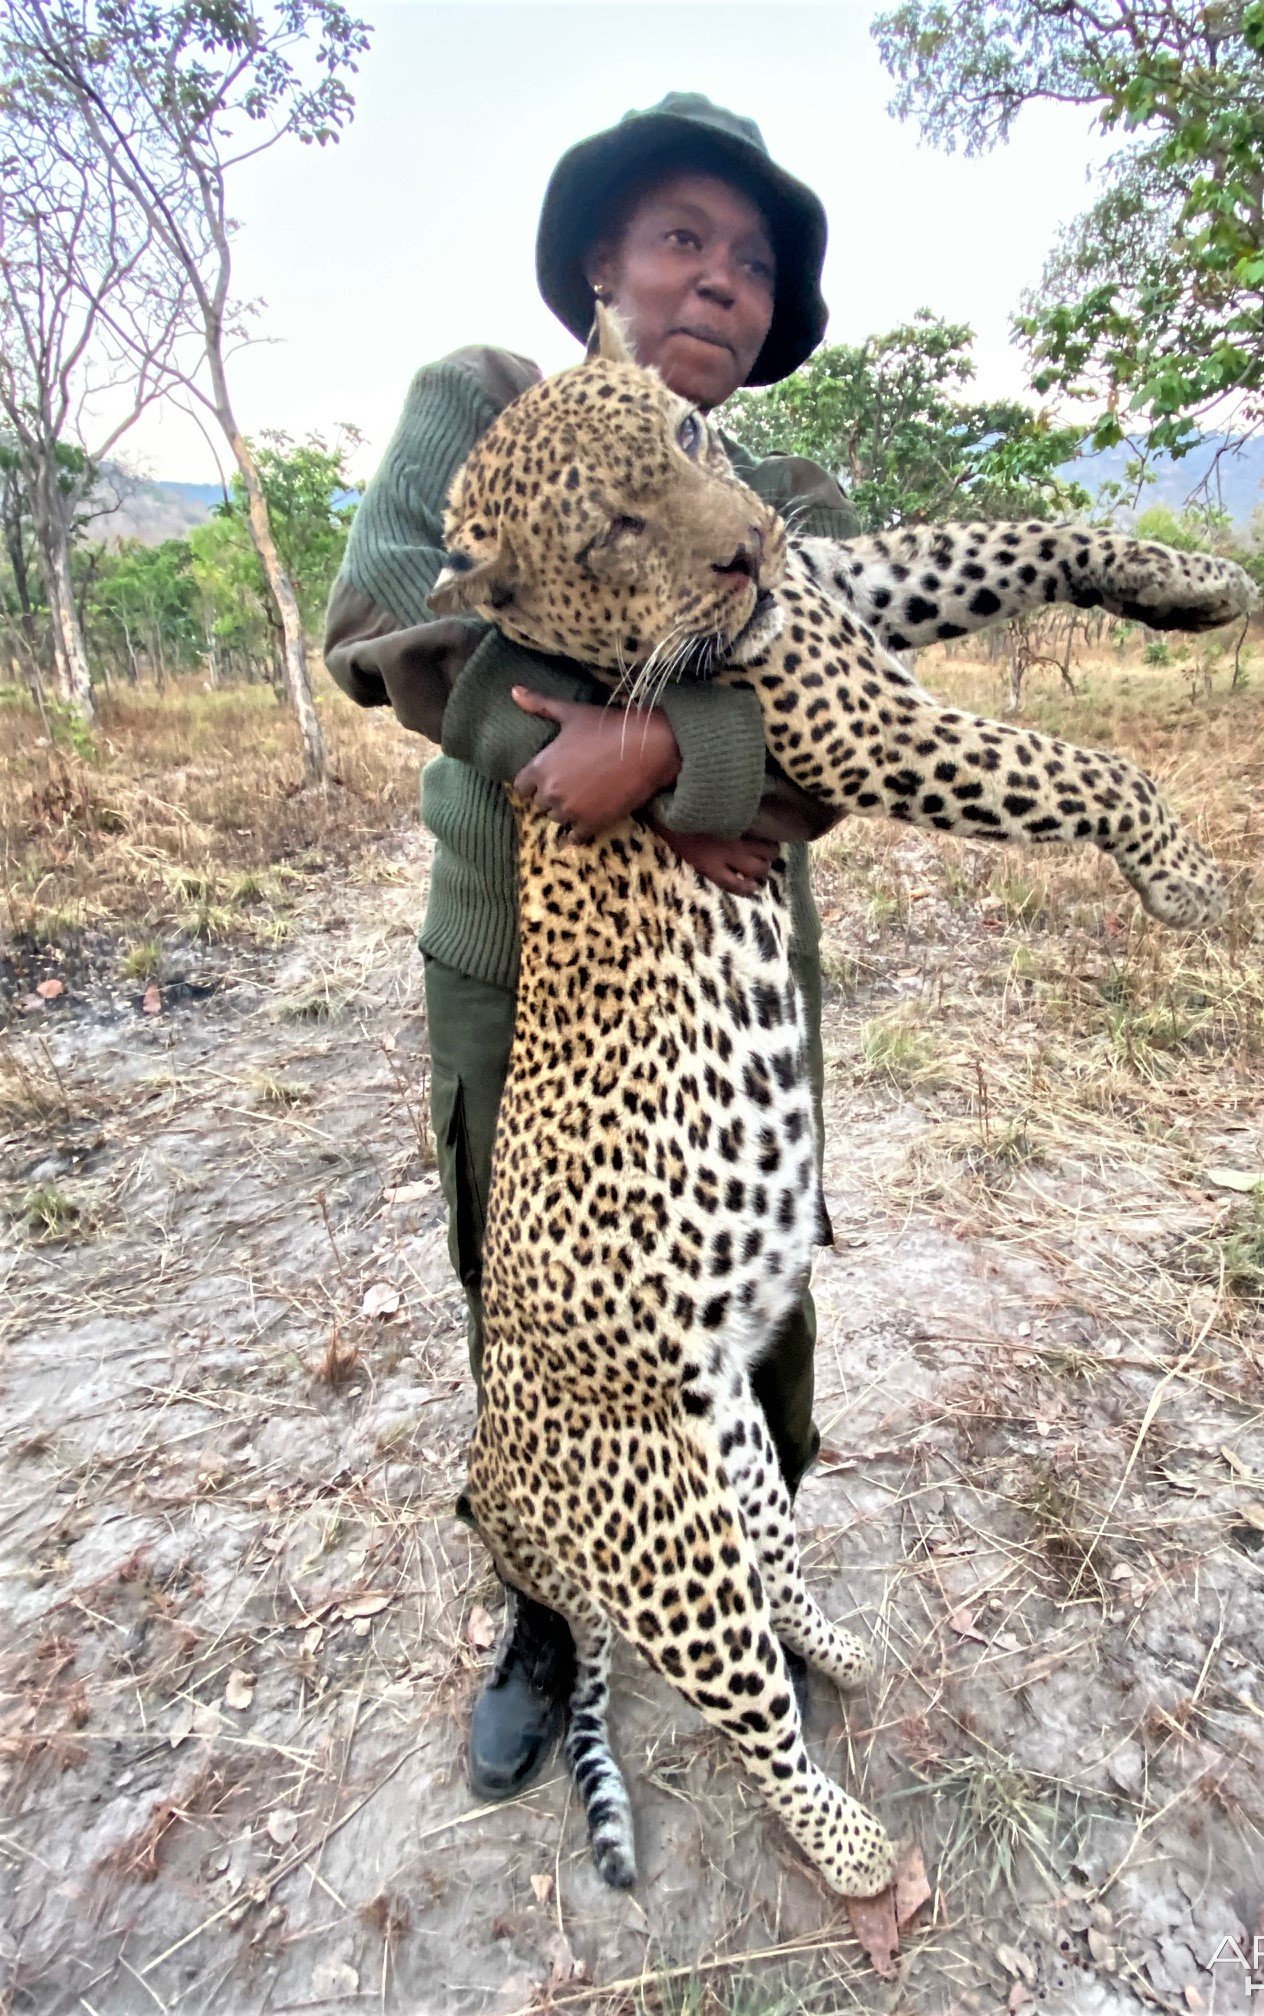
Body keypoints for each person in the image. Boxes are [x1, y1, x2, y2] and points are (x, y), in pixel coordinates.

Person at [323, 93, 860, 1805]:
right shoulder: (481, 405)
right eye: (683, 238)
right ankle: (548, 1613)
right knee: (550, 1307)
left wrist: (681, 756)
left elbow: (841, 733)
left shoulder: (782, 493)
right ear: (599, 270)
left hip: (733, 977)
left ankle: (746, 1562)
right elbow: (391, 622)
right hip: (521, 971)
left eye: (755, 259)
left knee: (743, 1285)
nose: (723, 280)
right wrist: (597, 759)